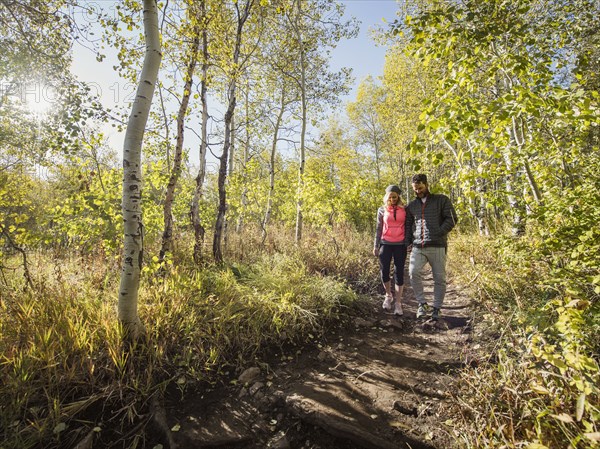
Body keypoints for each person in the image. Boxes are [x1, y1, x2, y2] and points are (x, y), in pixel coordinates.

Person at [406, 174, 457, 321]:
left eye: (420, 188)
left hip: (437, 245)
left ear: (427, 185)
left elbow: (452, 218)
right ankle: (422, 304)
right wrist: (407, 242)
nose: (418, 191)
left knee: (439, 279)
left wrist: (439, 232)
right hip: (418, 246)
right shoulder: (412, 206)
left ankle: (437, 308)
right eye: (415, 189)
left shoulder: (441, 200)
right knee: (413, 272)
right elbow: (408, 225)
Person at [373, 184, 410, 316]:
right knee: (384, 272)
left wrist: (407, 243)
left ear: (398, 196)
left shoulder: (405, 209)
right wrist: (375, 246)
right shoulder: (382, 210)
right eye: (390, 197)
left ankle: (398, 303)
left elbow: (407, 227)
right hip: (385, 243)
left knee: (399, 273)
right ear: (386, 197)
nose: (393, 199)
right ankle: (388, 296)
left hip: (400, 245)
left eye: (395, 197)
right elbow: (378, 228)